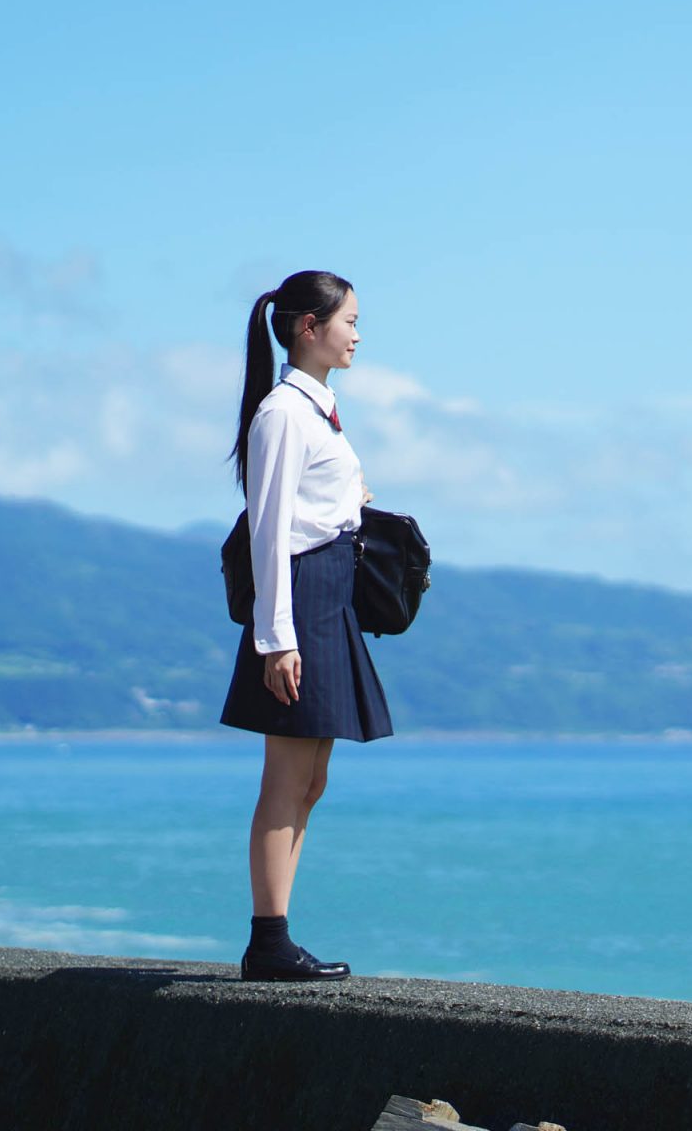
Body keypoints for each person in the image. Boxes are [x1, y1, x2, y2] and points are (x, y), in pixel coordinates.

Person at [218, 269, 394, 981]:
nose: (357, 333)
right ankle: (268, 940)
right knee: (286, 780)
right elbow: (269, 531)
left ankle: (276, 936)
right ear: (306, 328)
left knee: (311, 779)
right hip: (300, 600)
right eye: (348, 319)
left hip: (327, 595)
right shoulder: (283, 413)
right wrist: (276, 638)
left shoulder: (318, 409)